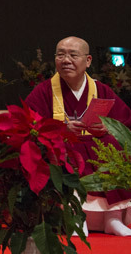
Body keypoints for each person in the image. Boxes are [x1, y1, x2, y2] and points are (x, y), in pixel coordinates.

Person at [25, 36, 131, 236]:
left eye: (73, 55)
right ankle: (74, 217)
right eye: (60, 55)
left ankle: (112, 218)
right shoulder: (44, 91)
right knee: (66, 149)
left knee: (112, 145)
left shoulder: (101, 90)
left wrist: (108, 129)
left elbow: (125, 122)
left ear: (88, 60)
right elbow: (29, 124)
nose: (66, 60)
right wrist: (61, 128)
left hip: (96, 143)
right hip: (64, 145)